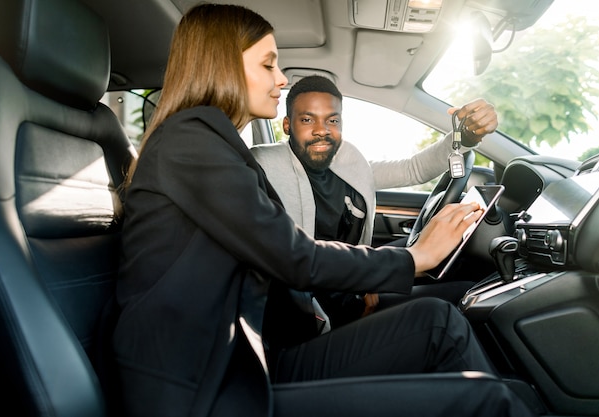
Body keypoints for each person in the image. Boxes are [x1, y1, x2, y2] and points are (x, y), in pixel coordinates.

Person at [112, 3, 537, 417]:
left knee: (438, 322)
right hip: (203, 388)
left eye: (332, 120)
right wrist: (416, 256)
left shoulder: (214, 146)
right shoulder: (191, 144)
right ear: (221, 65)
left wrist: (460, 140)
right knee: (488, 399)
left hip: (252, 357)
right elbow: (295, 255)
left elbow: (408, 170)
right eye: (268, 65)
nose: (280, 79)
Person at [251, 75, 498, 327]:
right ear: (287, 125)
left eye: (332, 120)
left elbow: (413, 169)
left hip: (353, 281)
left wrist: (464, 138)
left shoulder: (347, 165)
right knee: (458, 301)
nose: (321, 130)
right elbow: (298, 262)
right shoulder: (263, 171)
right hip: (314, 309)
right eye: (307, 119)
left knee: (465, 281)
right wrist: (367, 278)